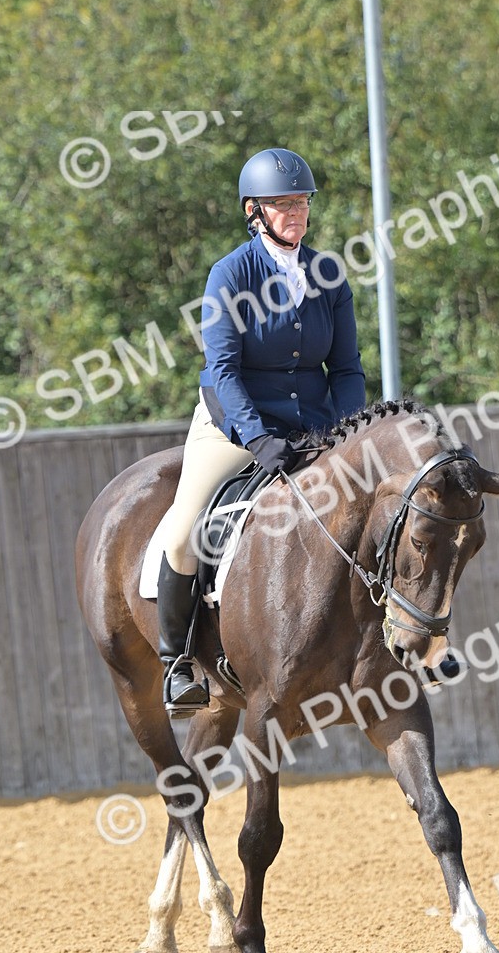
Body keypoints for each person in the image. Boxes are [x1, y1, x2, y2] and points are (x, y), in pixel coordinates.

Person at [157, 147, 366, 713]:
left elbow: (345, 369)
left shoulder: (328, 274)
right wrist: (255, 438)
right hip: (234, 426)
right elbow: (222, 371)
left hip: (314, 431)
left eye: (301, 202)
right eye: (282, 204)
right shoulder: (230, 273)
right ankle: (177, 662)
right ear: (255, 211)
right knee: (183, 532)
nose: (295, 212)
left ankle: (405, 641)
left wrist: (350, 433)